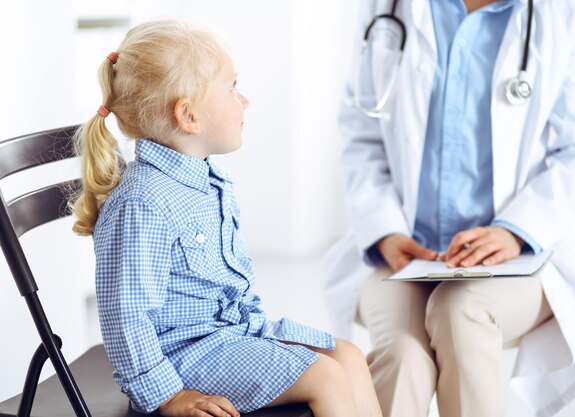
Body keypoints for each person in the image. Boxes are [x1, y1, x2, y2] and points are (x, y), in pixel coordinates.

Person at [72, 20, 382, 417]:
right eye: (232, 87)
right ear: (189, 116)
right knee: (327, 376)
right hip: (184, 357)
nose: (245, 100)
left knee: (350, 356)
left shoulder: (206, 179)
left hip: (232, 333)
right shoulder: (143, 203)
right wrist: (166, 395)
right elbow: (126, 317)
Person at [324, 1, 575, 416]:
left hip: (523, 257)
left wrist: (515, 230)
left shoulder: (563, 11)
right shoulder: (387, 7)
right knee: (403, 354)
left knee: (461, 310)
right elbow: (362, 134)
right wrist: (385, 230)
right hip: (405, 254)